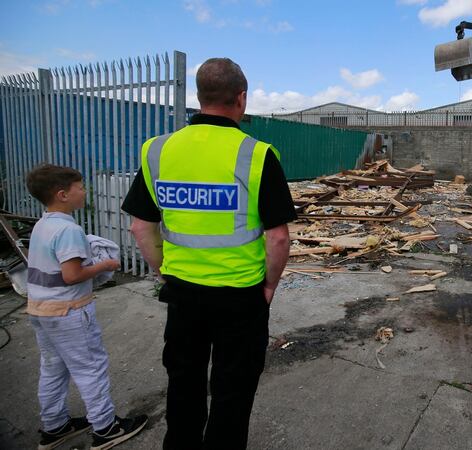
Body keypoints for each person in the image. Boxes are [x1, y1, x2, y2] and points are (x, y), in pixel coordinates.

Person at [121, 57, 295, 450]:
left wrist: (163, 271)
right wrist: (268, 287)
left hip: (183, 293)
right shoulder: (256, 154)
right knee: (232, 393)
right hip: (241, 296)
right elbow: (278, 238)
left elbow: (140, 226)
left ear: (199, 98)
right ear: (242, 98)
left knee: (184, 384)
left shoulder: (157, 150)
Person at [25, 164, 148, 450]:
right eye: (80, 186)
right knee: (90, 368)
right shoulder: (68, 230)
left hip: (41, 310)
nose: (85, 191)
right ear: (62, 194)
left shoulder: (42, 224)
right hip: (69, 311)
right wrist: (105, 265)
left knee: (53, 368)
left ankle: (55, 426)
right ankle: (106, 428)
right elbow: (72, 275)